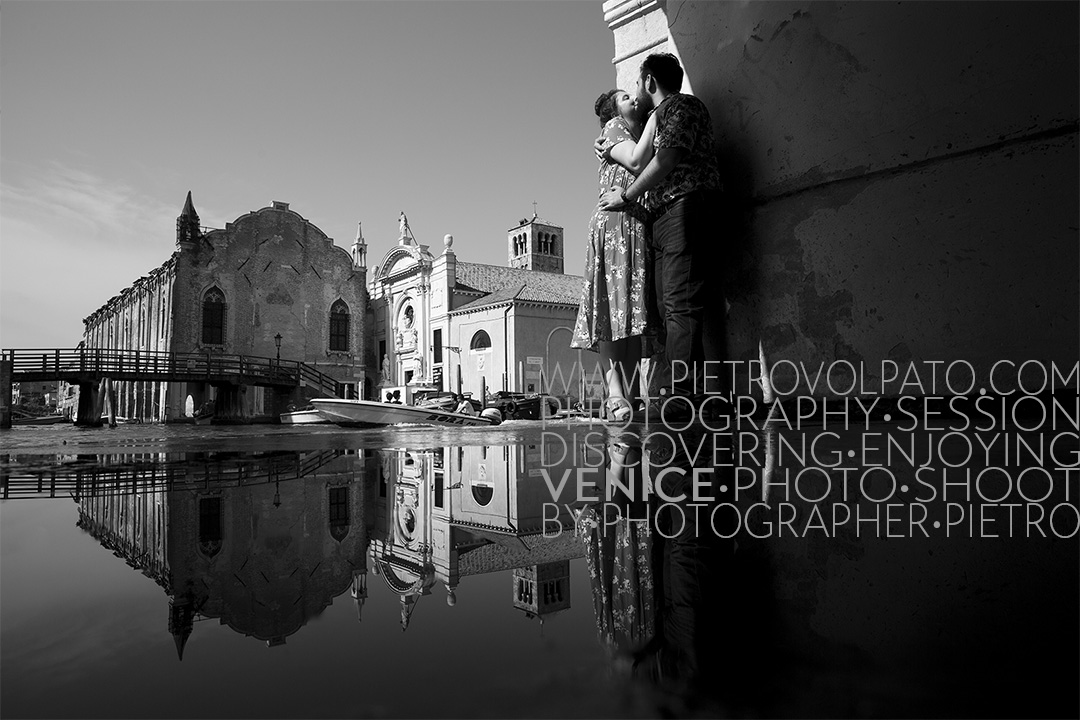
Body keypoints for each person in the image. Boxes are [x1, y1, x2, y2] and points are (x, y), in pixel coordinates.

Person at [598, 54, 723, 412]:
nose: (635, 93)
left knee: (680, 304)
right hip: (668, 215)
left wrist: (627, 194)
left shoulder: (680, 107)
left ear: (650, 82)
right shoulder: (657, 117)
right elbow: (640, 154)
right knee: (671, 307)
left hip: (684, 207)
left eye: (636, 84)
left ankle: (682, 394)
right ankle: (687, 391)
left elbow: (665, 159)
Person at [572, 89, 662, 423]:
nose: (633, 98)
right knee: (613, 308)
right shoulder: (613, 128)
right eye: (625, 96)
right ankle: (614, 392)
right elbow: (637, 161)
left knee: (633, 312)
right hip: (615, 225)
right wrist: (656, 116)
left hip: (636, 225)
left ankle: (633, 392)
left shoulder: (638, 134)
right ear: (613, 110)